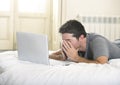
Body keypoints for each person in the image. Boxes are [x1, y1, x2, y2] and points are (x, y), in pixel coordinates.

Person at [49, 20, 120, 64]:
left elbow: (103, 63)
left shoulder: (97, 41)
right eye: (63, 40)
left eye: (68, 40)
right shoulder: (73, 46)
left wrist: (76, 58)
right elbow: (51, 55)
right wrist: (62, 58)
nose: (65, 43)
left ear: (81, 37)